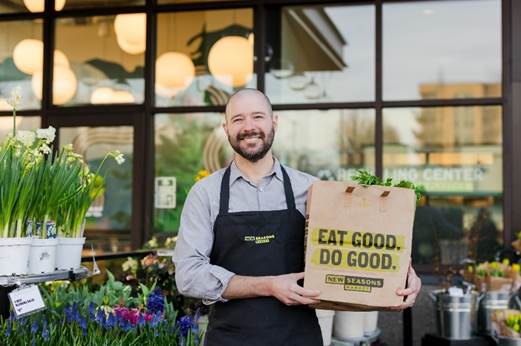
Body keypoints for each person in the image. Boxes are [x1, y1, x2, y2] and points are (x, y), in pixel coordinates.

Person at [173, 88, 422, 346]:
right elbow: (189, 275)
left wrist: (398, 278)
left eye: (258, 116)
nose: (249, 126)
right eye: (238, 119)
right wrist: (269, 285)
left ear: (274, 122)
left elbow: (356, 248)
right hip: (230, 339)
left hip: (299, 337)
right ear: (225, 128)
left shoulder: (313, 190)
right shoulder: (205, 194)